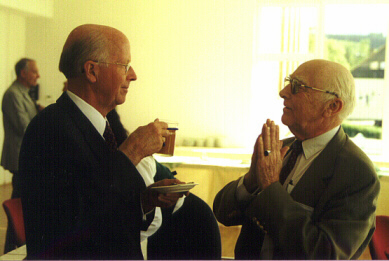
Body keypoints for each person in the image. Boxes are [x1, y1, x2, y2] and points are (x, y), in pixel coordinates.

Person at [19, 24, 186, 259]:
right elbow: (76, 223)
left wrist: (145, 201)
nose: (133, 75)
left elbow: (105, 208)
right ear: (92, 71)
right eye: (125, 65)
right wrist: (132, 151)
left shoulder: (100, 126)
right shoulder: (48, 130)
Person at [213, 59, 380, 259]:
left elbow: (324, 254)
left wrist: (270, 187)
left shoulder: (358, 174)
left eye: (297, 86)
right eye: (288, 82)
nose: (283, 92)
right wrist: (251, 180)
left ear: (332, 106)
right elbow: (222, 213)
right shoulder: (281, 149)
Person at [1, 58, 41, 253]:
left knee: (21, 203)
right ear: (23, 73)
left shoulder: (23, 93)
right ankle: (11, 248)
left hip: (24, 157)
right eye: (34, 71)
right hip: (19, 157)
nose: (38, 75)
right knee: (18, 205)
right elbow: (25, 127)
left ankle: (12, 246)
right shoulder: (13, 94)